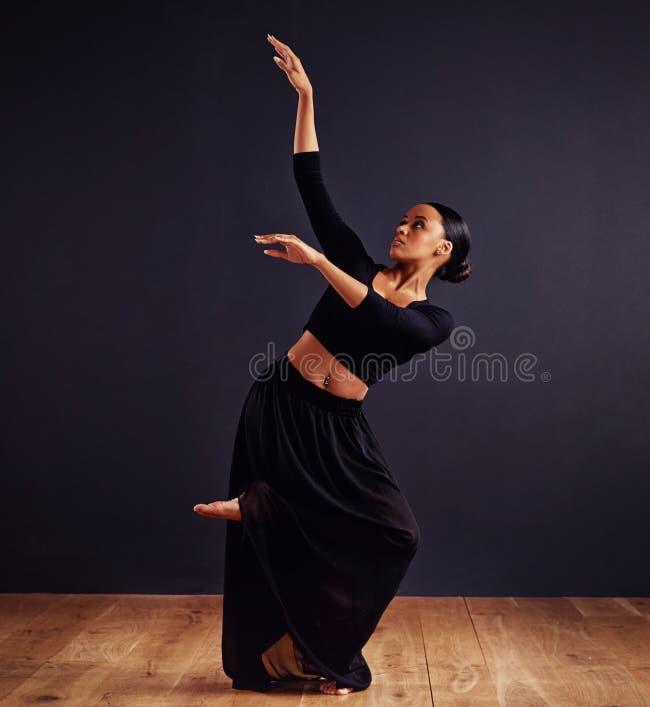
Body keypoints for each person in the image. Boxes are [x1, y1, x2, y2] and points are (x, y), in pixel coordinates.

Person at [193, 33, 472, 695]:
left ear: (446, 249)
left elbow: (386, 322)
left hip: (338, 428)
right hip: (282, 402)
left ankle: (272, 529)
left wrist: (320, 262)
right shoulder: (357, 257)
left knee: (394, 533)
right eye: (404, 218)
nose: (403, 226)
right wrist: (306, 97)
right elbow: (310, 180)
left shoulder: (436, 321)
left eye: (420, 222)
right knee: (337, 528)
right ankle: (264, 508)